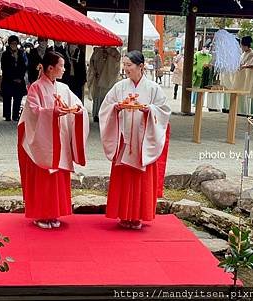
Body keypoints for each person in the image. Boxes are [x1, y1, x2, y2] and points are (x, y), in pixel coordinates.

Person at [99, 50, 171, 230]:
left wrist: (150, 110)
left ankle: (138, 216)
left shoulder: (153, 88)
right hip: (125, 138)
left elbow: (164, 111)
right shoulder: (120, 86)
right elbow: (105, 108)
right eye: (124, 65)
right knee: (124, 177)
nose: (125, 68)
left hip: (143, 139)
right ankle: (124, 215)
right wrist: (116, 107)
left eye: (129, 65)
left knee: (140, 179)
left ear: (141, 66)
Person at [18, 51, 89, 229]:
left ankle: (54, 213)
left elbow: (77, 104)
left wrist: (78, 110)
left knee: (57, 177)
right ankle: (41, 214)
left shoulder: (63, 88)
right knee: (43, 178)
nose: (64, 69)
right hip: (42, 142)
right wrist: (52, 113)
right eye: (61, 66)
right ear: (50, 68)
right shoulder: (35, 87)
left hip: (59, 138)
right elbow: (33, 112)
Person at [87, 46, 121, 122]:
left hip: (109, 79)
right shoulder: (97, 51)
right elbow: (92, 64)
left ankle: (106, 114)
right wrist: (94, 72)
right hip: (98, 78)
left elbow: (116, 65)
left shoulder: (115, 53)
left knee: (107, 97)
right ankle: (96, 114)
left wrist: (109, 56)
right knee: (97, 97)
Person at [1, 35, 27, 121]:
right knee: (7, 98)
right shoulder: (5, 54)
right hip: (8, 80)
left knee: (18, 99)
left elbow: (24, 66)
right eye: (12, 43)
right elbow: (4, 68)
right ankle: (7, 116)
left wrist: (20, 77)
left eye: (15, 43)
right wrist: (12, 78)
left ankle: (15, 115)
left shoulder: (21, 53)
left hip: (19, 80)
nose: (14, 45)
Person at [233, 36, 253, 116]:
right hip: (240, 75)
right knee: (238, 92)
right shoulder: (244, 53)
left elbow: (250, 64)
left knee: (244, 92)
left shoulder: (251, 54)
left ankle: (244, 111)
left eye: (242, 46)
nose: (241, 47)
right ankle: (239, 110)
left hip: (246, 76)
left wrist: (242, 66)